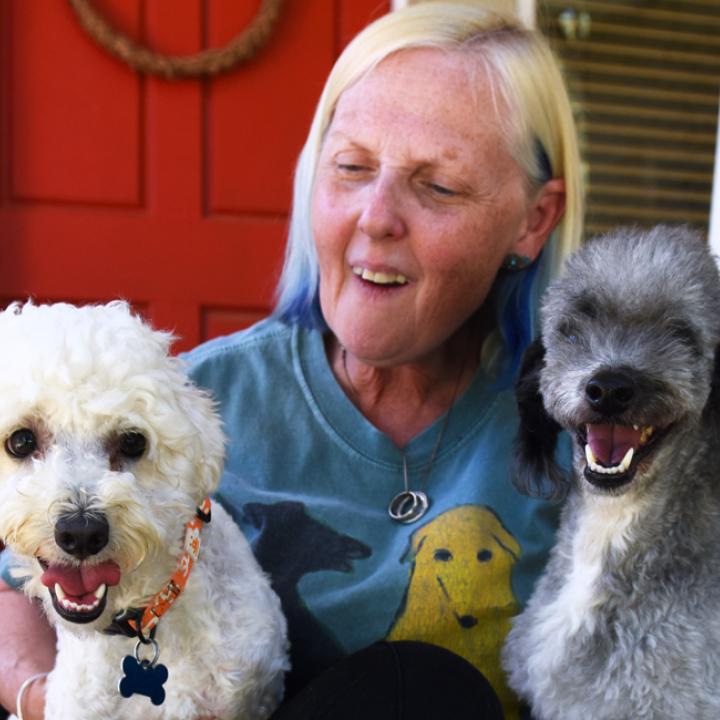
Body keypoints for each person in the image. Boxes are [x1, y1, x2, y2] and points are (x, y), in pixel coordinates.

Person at [0, 3, 582, 718]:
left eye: (439, 186)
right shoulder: (181, 400)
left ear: (533, 219)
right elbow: (12, 575)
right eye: (351, 168)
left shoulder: (593, 435)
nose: (375, 217)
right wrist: (44, 697)